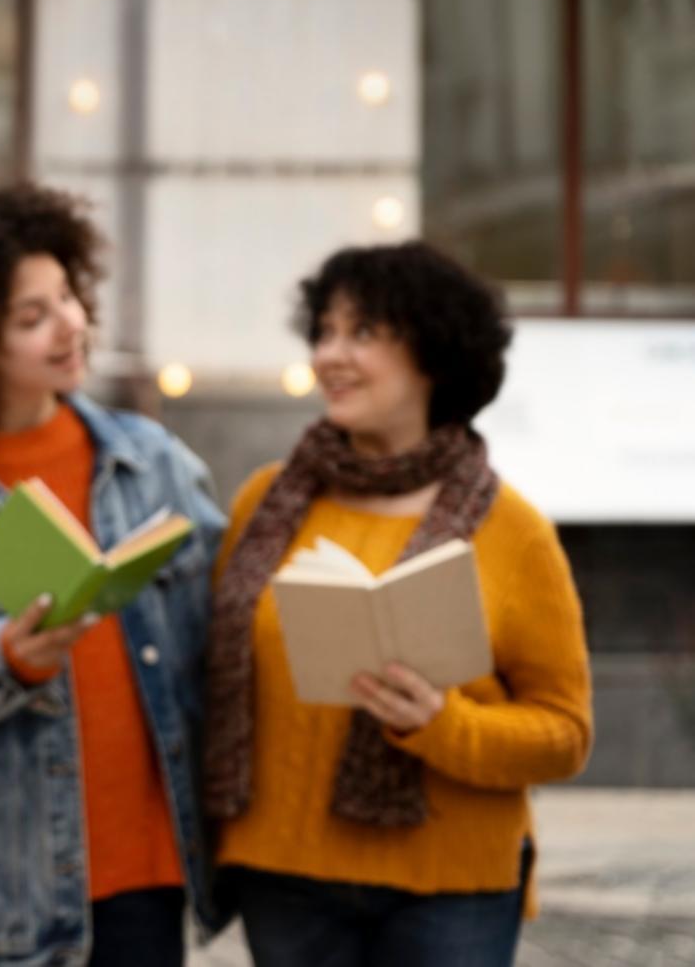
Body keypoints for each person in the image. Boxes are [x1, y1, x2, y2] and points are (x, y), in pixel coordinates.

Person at [0, 178, 229, 966]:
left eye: (66, 297)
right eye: (32, 317)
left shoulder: (147, 459)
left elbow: (224, 636)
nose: (70, 326)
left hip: (146, 879)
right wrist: (7, 660)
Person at [203, 241, 593, 967]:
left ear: (433, 354)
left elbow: (565, 733)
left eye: (362, 333)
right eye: (323, 330)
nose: (329, 354)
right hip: (282, 876)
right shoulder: (265, 501)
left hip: (450, 890)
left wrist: (441, 724)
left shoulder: (513, 530)